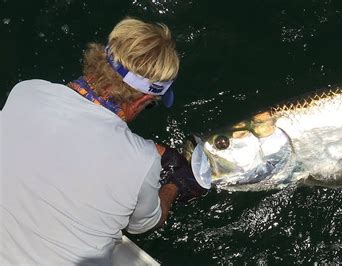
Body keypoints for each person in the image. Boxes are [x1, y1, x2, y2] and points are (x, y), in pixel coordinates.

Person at [0, 17, 207, 265]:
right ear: (142, 101)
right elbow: (145, 223)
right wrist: (173, 184)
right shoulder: (141, 162)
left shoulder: (27, 91)